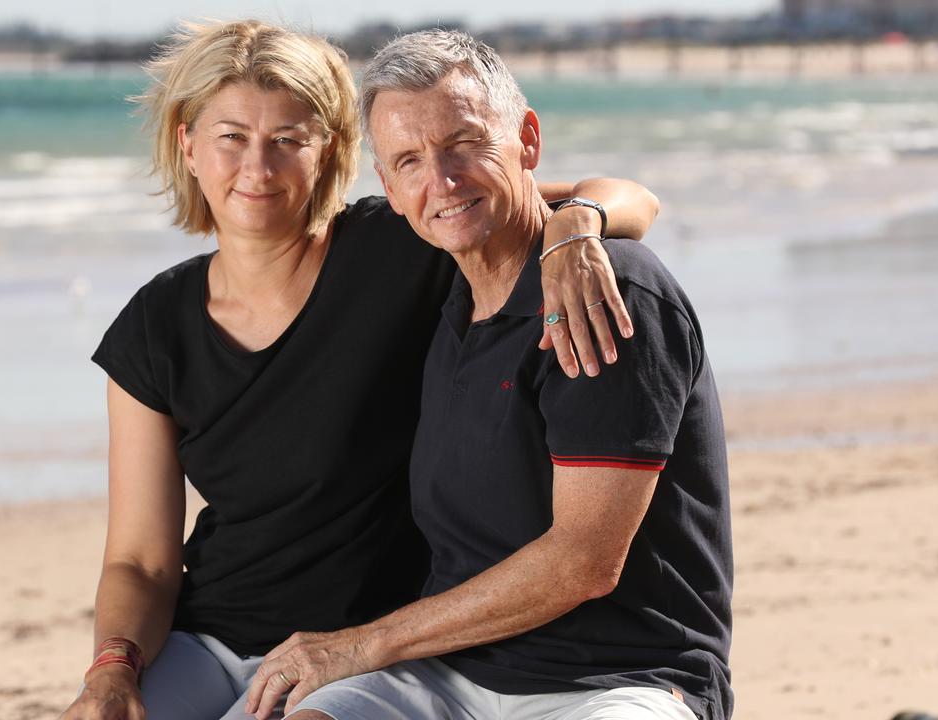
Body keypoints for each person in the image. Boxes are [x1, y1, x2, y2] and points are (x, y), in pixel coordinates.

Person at [60, 20, 662, 720]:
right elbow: (142, 561)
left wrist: (577, 226)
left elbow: (621, 198)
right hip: (207, 640)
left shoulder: (404, 243)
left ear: (332, 152)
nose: (258, 168)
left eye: (288, 139)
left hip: (371, 649)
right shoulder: (155, 325)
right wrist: (111, 668)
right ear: (188, 144)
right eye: (231, 137)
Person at [244, 30, 732, 720]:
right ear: (387, 185)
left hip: (618, 679)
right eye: (408, 160)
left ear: (527, 141)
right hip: (448, 675)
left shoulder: (604, 288)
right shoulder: (444, 288)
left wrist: (360, 644)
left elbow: (583, 563)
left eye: (464, 144)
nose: (441, 181)